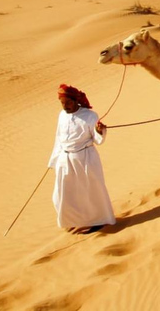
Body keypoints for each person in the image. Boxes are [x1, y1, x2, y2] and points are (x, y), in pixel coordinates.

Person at [48, 84, 116, 233]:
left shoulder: (90, 116)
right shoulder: (62, 115)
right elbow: (58, 138)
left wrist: (100, 131)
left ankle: (99, 220)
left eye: (68, 102)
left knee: (91, 191)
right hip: (65, 159)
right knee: (62, 193)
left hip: (85, 158)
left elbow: (98, 140)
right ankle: (72, 220)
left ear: (76, 101)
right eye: (62, 103)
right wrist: (54, 160)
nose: (65, 106)